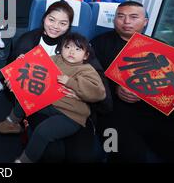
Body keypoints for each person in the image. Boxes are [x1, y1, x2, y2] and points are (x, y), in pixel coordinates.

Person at [91, 0, 174, 162]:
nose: (127, 22)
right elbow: (89, 78)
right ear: (114, 20)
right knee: (118, 150)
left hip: (154, 111)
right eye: (121, 16)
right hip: (112, 111)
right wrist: (115, 89)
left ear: (145, 22)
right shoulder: (98, 44)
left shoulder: (160, 47)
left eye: (134, 17)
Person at [14, 33, 106, 163]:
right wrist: (23, 61)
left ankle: (24, 160)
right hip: (50, 104)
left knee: (43, 131)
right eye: (67, 47)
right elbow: (35, 67)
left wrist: (71, 82)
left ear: (86, 56)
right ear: (60, 49)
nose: (71, 51)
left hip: (71, 115)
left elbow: (99, 93)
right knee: (26, 98)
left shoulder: (86, 69)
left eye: (77, 49)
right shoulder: (55, 59)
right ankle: (11, 121)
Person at [0, 0, 74, 131]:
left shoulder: (73, 44)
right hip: (34, 90)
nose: (55, 26)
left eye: (63, 23)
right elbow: (13, 67)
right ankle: (15, 122)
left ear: (69, 26)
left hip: (62, 92)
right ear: (44, 19)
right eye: (51, 20)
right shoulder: (28, 39)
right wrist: (12, 79)